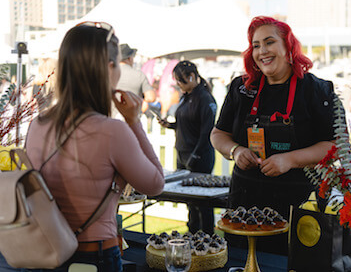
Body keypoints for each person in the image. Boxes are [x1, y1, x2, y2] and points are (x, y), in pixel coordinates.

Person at [1, 22, 165, 271]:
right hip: (92, 255)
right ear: (109, 68)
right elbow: (154, 184)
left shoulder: (38, 125)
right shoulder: (113, 131)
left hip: (44, 252)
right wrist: (134, 122)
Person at [210, 16, 345, 255]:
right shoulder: (241, 88)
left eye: (269, 42)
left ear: (288, 47)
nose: (262, 51)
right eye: (256, 45)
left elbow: (335, 146)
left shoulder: (317, 90)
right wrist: (236, 150)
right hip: (245, 201)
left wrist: (289, 160)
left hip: (300, 203)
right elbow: (218, 134)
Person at [159, 60, 217, 234]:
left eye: (180, 80)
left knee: (203, 201)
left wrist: (195, 156)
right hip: (183, 154)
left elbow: (206, 132)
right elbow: (186, 123)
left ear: (192, 77)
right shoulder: (186, 96)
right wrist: (169, 125)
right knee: (189, 200)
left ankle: (207, 234)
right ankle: (192, 232)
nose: (178, 84)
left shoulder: (205, 98)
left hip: (200, 155)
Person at [116, 43, 156, 113]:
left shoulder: (108, 74)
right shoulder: (139, 75)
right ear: (129, 58)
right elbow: (151, 97)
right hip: (132, 119)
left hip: (111, 119)